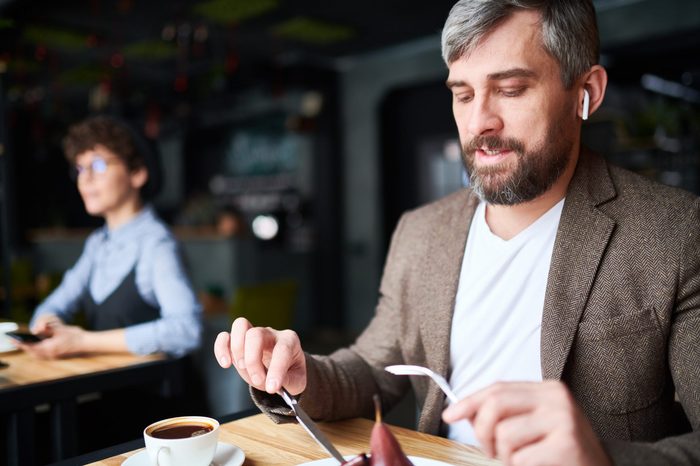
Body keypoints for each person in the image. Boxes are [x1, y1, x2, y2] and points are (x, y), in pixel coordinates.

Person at [214, 1, 700, 464]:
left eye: (510, 89)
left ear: (586, 92)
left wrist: (604, 459)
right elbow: (373, 369)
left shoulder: (676, 233)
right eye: (463, 94)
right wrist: (302, 376)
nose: (478, 122)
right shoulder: (420, 231)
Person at [19, 115, 202, 359]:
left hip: (154, 393)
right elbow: (54, 304)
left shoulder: (157, 244)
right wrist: (46, 323)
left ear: (136, 173)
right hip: (110, 388)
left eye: (99, 165)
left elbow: (187, 330)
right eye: (80, 168)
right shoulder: (98, 243)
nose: (85, 178)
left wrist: (83, 341)